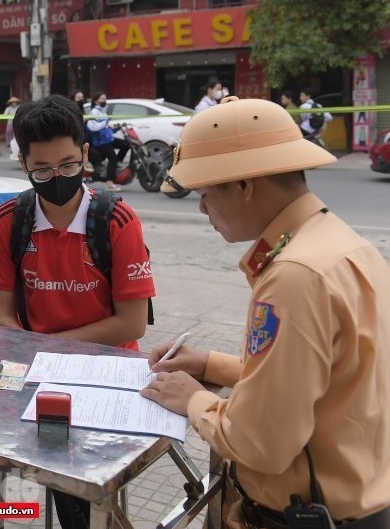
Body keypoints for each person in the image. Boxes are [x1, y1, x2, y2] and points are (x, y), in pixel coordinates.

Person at [146, 97, 390, 529]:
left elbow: (262, 442)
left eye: (205, 194)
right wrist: (209, 364)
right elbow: (314, 381)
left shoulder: (294, 276)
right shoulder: (343, 245)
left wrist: (193, 400)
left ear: (245, 185)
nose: (202, 210)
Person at [0, 94, 156, 529]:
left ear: (84, 155)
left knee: (75, 486)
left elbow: (131, 324)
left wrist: (47, 349)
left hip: (108, 374)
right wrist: (28, 359)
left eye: (66, 165)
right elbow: (2, 316)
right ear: (24, 164)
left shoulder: (117, 222)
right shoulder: (8, 221)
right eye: (41, 169)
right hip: (35, 373)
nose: (56, 178)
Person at [86, 91, 122, 191]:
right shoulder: (94, 112)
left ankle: (116, 166)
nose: (104, 101)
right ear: (96, 101)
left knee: (125, 144)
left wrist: (114, 127)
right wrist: (105, 123)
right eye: (102, 99)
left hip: (107, 138)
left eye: (105, 99)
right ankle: (109, 183)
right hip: (100, 141)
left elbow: (105, 125)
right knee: (113, 158)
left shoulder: (102, 110)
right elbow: (92, 127)